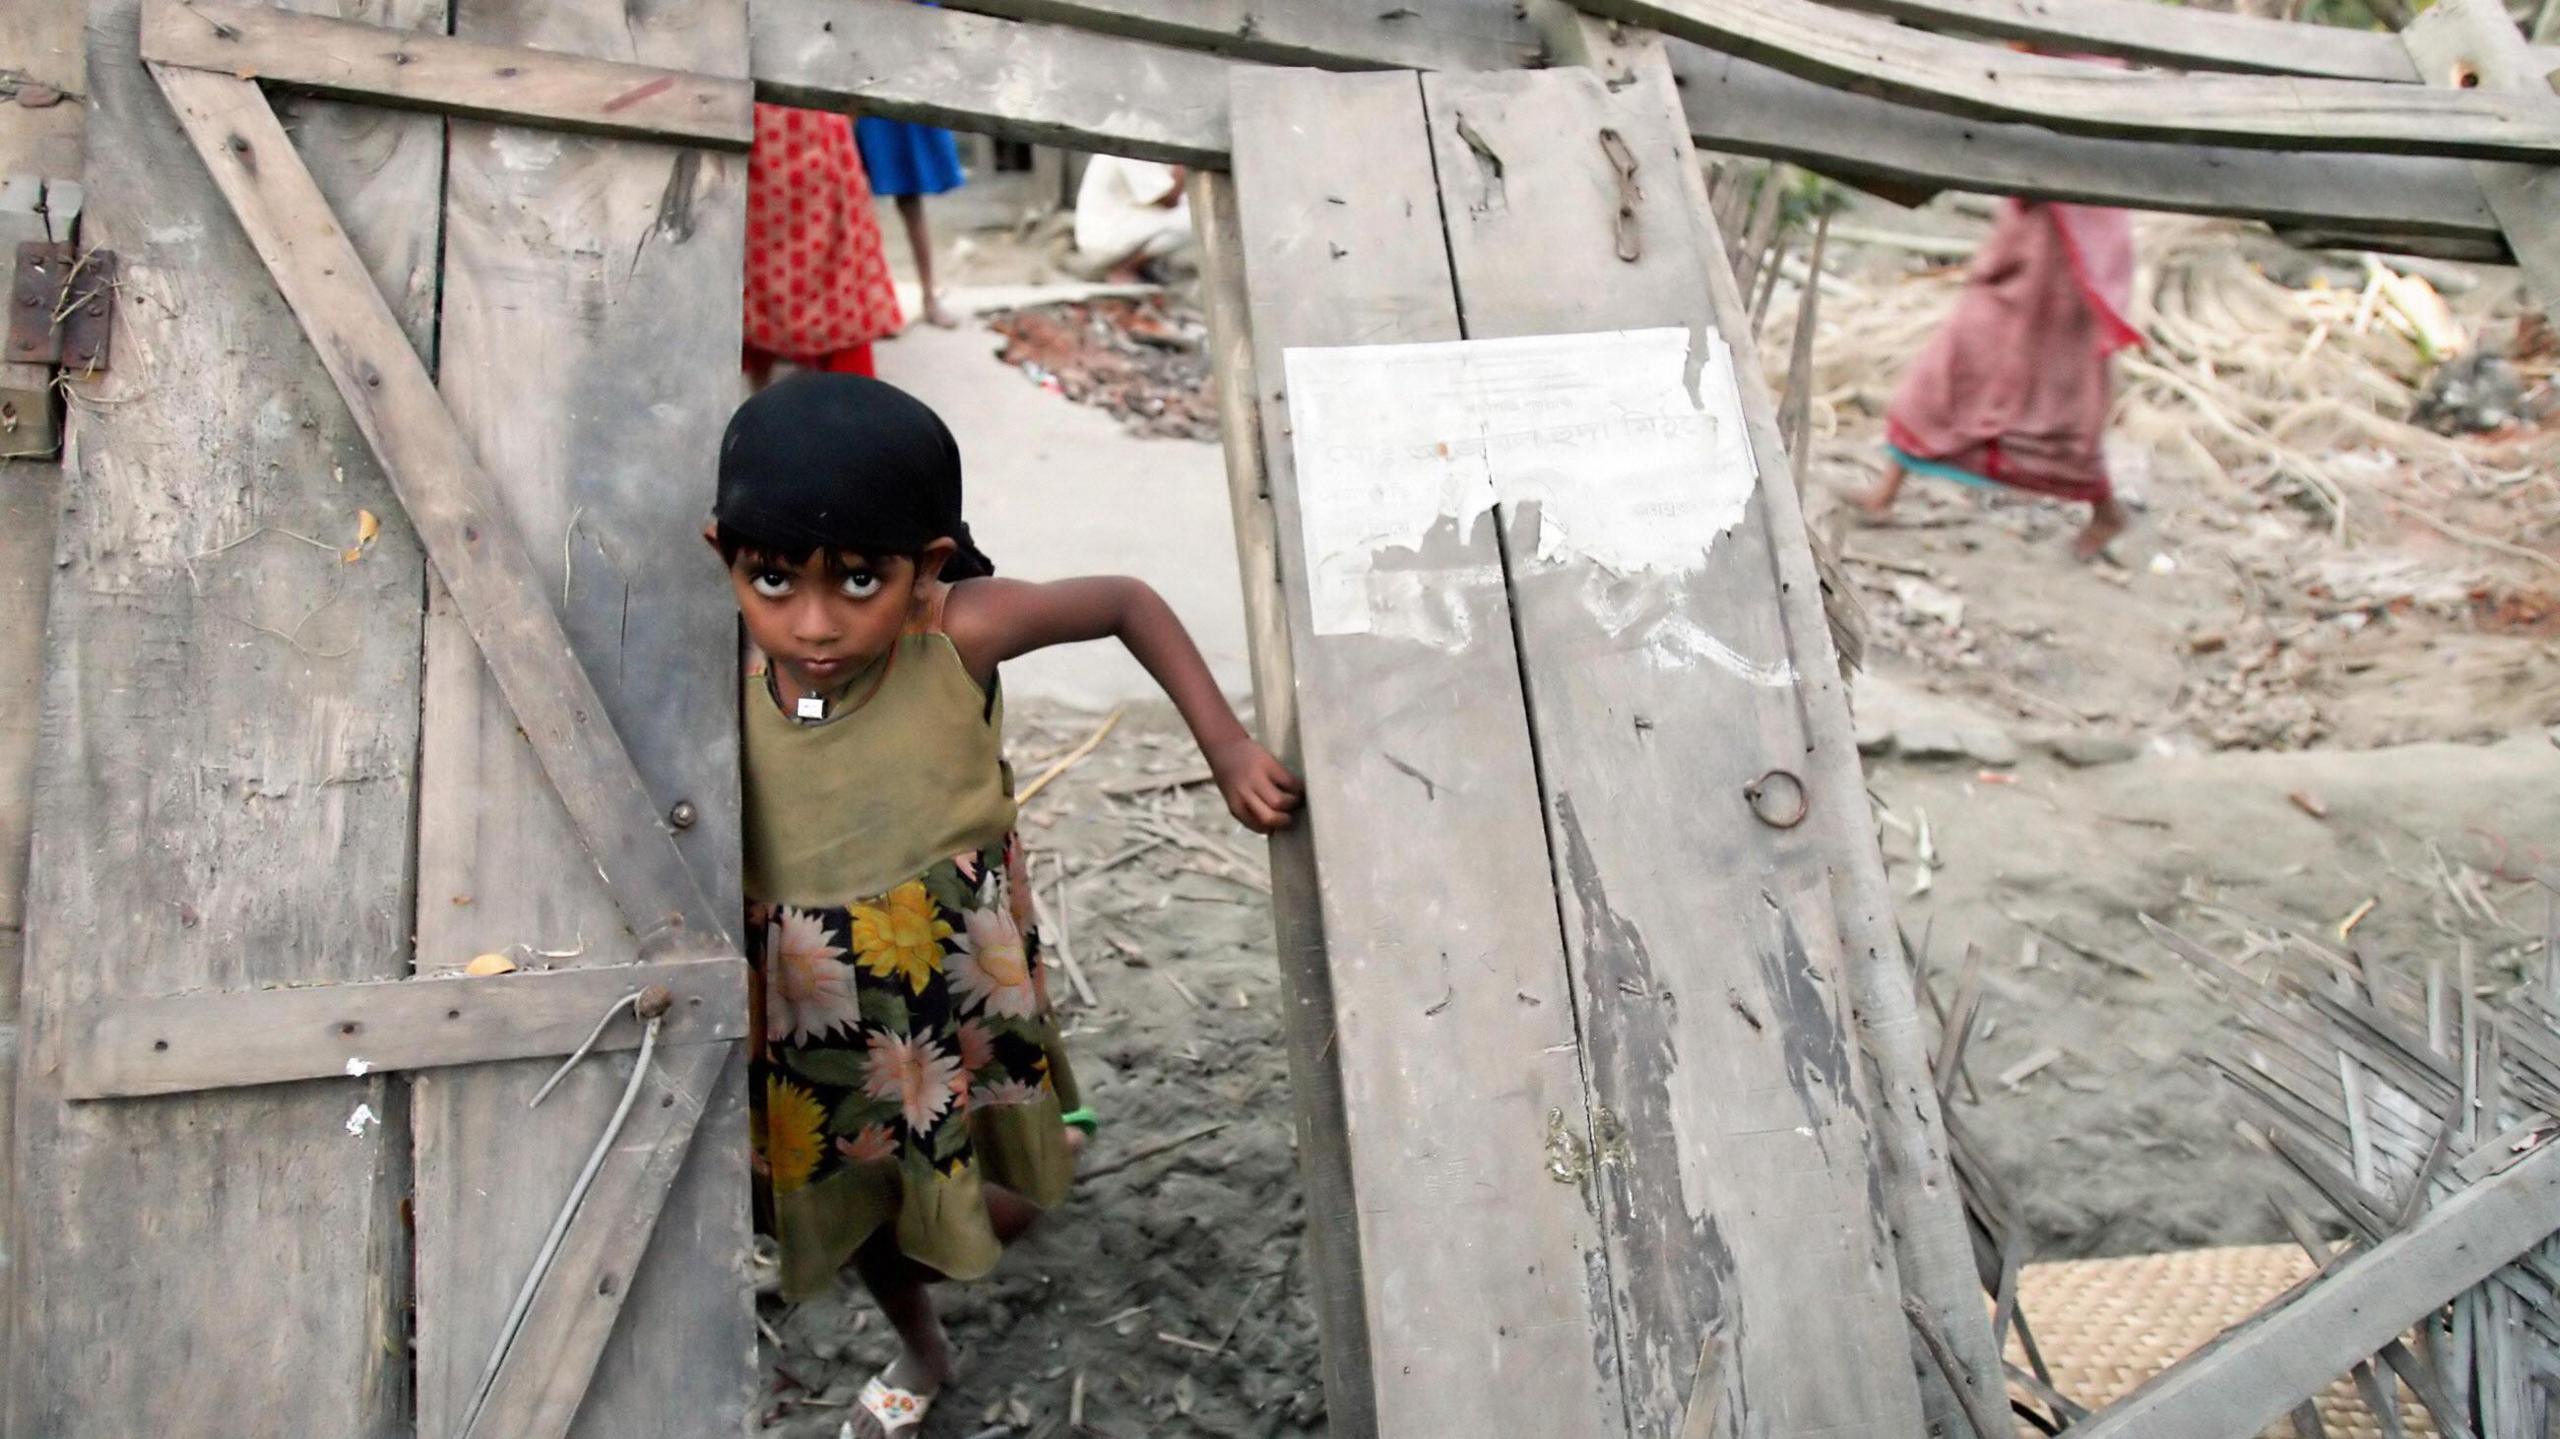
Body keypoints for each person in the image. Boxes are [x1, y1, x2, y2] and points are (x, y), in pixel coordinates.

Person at [713, 374, 1301, 1439]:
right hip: (808, 1008)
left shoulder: (954, 635)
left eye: (858, 580)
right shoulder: (707, 662)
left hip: (947, 982)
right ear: (725, 556)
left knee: (989, 1170)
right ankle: (922, 1344)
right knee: (839, 1206)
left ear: (927, 564)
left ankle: (1032, 1165)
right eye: (772, 580)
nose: (814, 623)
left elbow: (1124, 599)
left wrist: (1226, 747)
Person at [1853, 197, 2143, 561]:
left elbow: (2100, 232)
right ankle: (1884, 493)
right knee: (1942, 375)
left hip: (2062, 280)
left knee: (2059, 413)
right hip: (2018, 262)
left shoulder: (2095, 205)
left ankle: (2106, 513)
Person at [743, 104, 905, 390]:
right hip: (786, 130)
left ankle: (765, 390)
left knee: (773, 263)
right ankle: (770, 389)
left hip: (791, 130)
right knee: (771, 261)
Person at [856, 114, 968, 329]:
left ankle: (929, 297)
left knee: (910, 199)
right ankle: (870, 307)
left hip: (895, 108)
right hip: (862, 108)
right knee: (854, 201)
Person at [1071, 155, 1192, 283]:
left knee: (1188, 210)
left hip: (1123, 226)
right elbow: (1168, 199)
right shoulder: (1129, 144)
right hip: (1104, 237)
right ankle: (1124, 269)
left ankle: (1140, 270)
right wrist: (1187, 158)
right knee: (1191, 220)